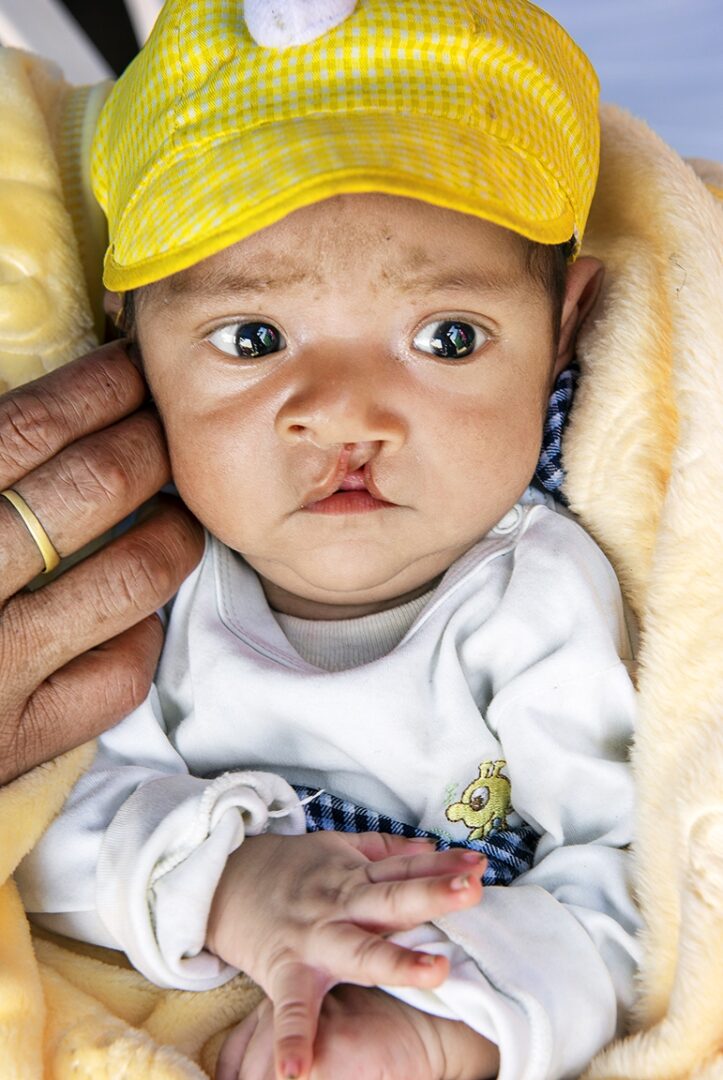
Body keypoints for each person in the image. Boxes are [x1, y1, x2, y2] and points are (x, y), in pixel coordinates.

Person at [16, 2, 643, 1078]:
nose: (347, 414)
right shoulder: (127, 577)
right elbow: (45, 823)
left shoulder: (538, 601)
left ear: (565, 332)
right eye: (252, 338)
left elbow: (627, 880)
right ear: (129, 333)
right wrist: (233, 884)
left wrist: (442, 1026)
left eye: (448, 338)